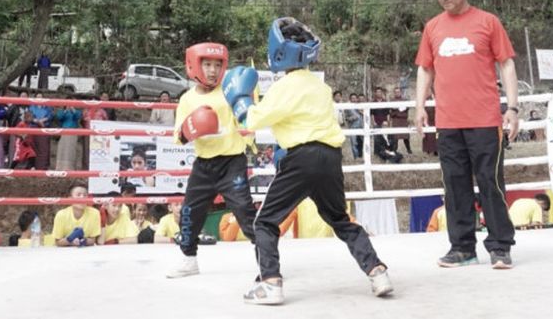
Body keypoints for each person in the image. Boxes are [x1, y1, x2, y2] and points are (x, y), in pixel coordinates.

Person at [241, 17, 393, 305]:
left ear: (278, 50)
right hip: (331, 158)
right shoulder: (320, 87)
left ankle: (271, 283)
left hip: (301, 158)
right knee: (340, 219)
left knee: (265, 222)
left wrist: (241, 99)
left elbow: (252, 120)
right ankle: (377, 271)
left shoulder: (284, 87)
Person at [414, 0, 519, 270]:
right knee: (455, 185)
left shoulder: (488, 22)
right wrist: (420, 106)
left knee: (490, 183)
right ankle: (461, 248)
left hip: (485, 119)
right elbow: (425, 68)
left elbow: (507, 65)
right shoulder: (433, 27)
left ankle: (500, 246)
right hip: (448, 122)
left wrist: (512, 108)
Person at [165, 42, 257, 279]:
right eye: (207, 64)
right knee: (189, 212)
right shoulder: (187, 99)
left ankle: (266, 261)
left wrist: (247, 114)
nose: (213, 70)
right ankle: (188, 260)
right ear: (195, 65)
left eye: (217, 65)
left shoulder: (230, 91)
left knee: (245, 212)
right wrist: (192, 128)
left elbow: (248, 123)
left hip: (232, 162)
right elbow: (178, 137)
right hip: (204, 164)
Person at [30, 93, 54, 169]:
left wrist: (43, 120)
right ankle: (32, 166)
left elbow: (50, 116)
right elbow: (28, 117)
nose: (39, 99)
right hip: (34, 128)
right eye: (37, 97)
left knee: (43, 148)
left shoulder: (47, 107)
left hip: (44, 127)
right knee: (33, 147)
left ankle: (42, 167)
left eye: (41, 97)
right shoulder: (31, 107)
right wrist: (36, 121)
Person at [55, 102, 82, 170]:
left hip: (73, 131)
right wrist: (66, 111)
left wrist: (73, 110)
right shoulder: (62, 111)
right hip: (64, 131)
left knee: (71, 149)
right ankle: (60, 167)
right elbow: (59, 117)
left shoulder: (77, 111)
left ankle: (70, 167)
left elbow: (78, 117)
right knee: (62, 148)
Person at [389, 86, 412, 154]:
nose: (397, 93)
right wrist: (396, 111)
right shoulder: (392, 101)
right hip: (396, 121)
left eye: (398, 92)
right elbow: (391, 112)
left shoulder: (404, 100)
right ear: (394, 93)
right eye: (396, 92)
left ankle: (409, 150)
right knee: (395, 137)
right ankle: (394, 151)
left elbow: (407, 109)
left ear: (401, 92)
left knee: (406, 137)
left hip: (403, 120)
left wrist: (400, 110)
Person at [344, 93, 364, 159]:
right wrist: (353, 118)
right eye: (352, 98)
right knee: (354, 143)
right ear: (350, 99)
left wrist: (361, 111)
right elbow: (346, 118)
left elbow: (365, 115)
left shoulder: (360, 105)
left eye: (355, 98)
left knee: (362, 142)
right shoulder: (348, 107)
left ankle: (361, 156)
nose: (354, 99)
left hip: (361, 127)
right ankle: (356, 157)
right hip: (353, 127)